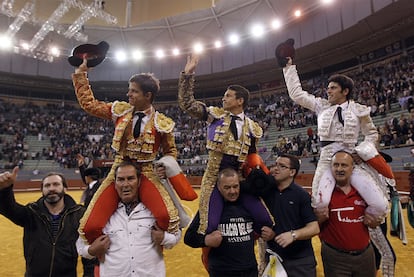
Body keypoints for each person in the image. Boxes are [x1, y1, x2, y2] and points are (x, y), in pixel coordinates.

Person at [72, 58, 196, 244]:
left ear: (148, 95)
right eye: (129, 89)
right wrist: (81, 74)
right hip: (119, 170)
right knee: (89, 227)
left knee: (167, 218)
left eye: (133, 91)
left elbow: (171, 152)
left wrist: (164, 165)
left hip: (147, 172)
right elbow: (89, 104)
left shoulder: (161, 123)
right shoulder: (121, 111)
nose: (128, 94)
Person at [282, 57, 390, 218]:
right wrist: (288, 67)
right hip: (327, 159)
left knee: (380, 205)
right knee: (320, 203)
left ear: (345, 91)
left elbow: (372, 134)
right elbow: (297, 94)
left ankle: (361, 231)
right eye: (328, 88)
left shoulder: (359, 110)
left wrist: (361, 153)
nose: (328, 91)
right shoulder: (321, 106)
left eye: (333, 88)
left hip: (352, 159)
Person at [178, 54, 272, 235]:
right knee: (209, 226)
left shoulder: (253, 128)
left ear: (240, 101)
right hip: (213, 179)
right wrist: (187, 76)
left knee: (265, 219)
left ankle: (265, 261)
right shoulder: (215, 115)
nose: (223, 99)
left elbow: (252, 158)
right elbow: (187, 104)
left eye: (228, 96)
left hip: (238, 180)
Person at [77, 161, 181, 277]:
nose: (125, 184)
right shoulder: (103, 214)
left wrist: (164, 238)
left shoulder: (153, 210)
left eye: (130, 179)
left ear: (139, 181)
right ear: (115, 184)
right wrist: (91, 250)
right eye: (121, 179)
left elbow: (176, 235)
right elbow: (80, 245)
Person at [184, 168, 273, 277]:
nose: (232, 191)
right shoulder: (211, 210)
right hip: (221, 271)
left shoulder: (250, 205)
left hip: (249, 270)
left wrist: (271, 234)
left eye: (235, 186)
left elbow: (265, 227)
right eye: (227, 187)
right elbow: (189, 238)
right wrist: (206, 240)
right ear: (219, 187)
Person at [0, 167, 85, 277]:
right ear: (42, 190)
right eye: (47, 185)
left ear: (65, 188)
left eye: (56, 184)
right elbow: (9, 209)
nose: (51, 188)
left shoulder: (79, 214)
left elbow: (89, 249)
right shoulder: (31, 212)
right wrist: (5, 190)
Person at [314, 151, 382, 277]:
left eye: (344, 165)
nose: (339, 169)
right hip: (335, 258)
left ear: (352, 168)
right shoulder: (323, 196)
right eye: (336, 165)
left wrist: (375, 222)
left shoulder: (365, 194)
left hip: (365, 255)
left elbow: (374, 222)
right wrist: (319, 219)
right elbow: (313, 225)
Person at [260, 154, 319, 277]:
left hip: (300, 261)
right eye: (276, 164)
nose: (276, 168)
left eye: (282, 166)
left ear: (292, 172)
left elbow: (314, 227)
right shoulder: (266, 192)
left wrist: (293, 235)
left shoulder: (301, 195)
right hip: (274, 256)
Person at [77, 153, 101, 277]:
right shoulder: (93, 186)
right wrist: (81, 166)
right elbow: (85, 179)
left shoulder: (99, 187)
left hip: (96, 225)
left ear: (89, 177)